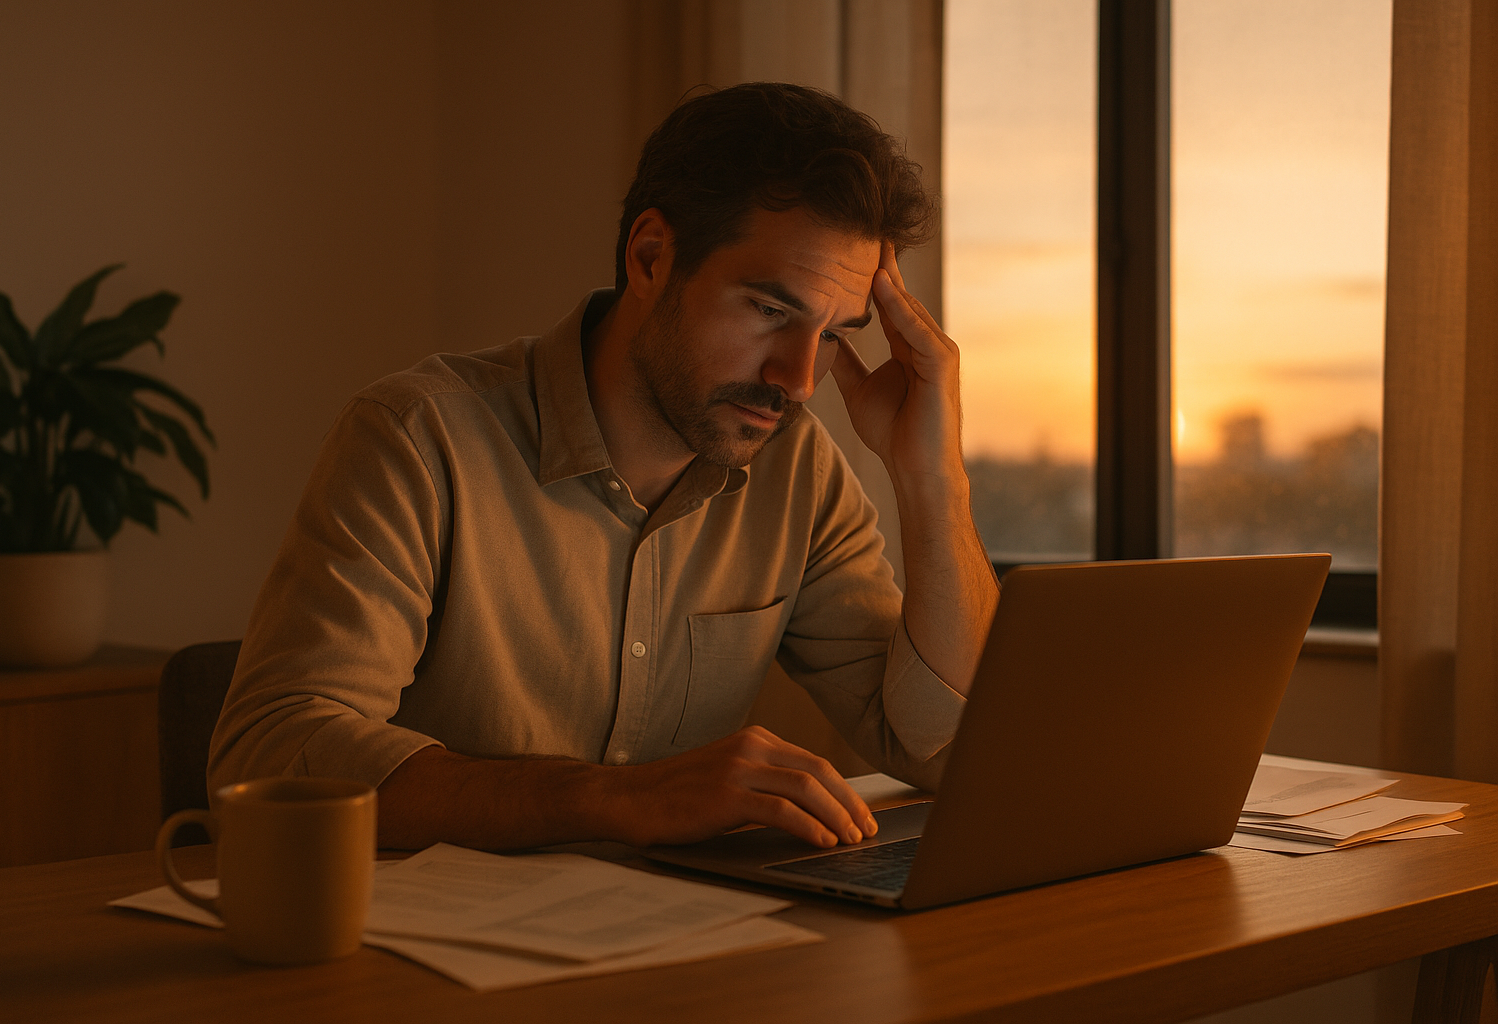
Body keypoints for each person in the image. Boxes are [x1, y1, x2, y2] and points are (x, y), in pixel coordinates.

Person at [208, 82, 998, 854]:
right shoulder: (419, 439)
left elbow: (940, 748)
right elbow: (272, 751)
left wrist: (934, 481)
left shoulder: (800, 474)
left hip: (669, 950)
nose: (796, 379)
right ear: (651, 256)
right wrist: (615, 800)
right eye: (769, 310)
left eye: (833, 334)